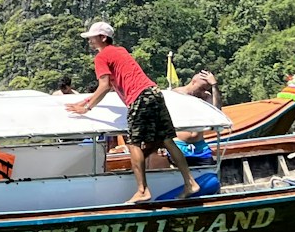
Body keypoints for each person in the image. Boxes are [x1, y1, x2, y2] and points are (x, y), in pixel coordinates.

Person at [66, 20, 199, 203]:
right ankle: (190, 182)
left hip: (139, 97)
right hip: (154, 93)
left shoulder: (102, 57)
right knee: (167, 140)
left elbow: (104, 86)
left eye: (92, 38)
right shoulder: (120, 51)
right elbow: (112, 85)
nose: (89, 41)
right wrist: (84, 101)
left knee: (134, 143)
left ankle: (142, 190)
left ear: (103, 38)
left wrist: (87, 108)